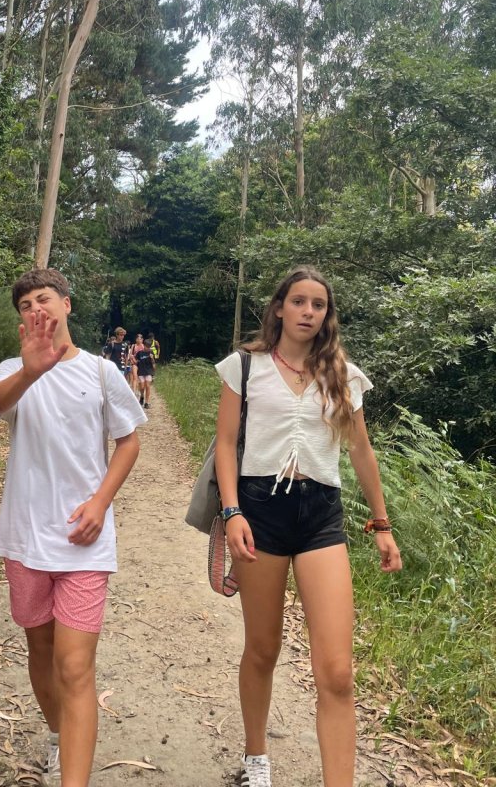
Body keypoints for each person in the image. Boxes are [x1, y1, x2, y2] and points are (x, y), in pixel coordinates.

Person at [213, 266, 402, 787]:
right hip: (259, 510)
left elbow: (361, 450)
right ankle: (256, 760)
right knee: (263, 648)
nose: (308, 312)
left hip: (321, 515)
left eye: (318, 305)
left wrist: (382, 523)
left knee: (337, 672)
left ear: (327, 314)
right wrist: (232, 512)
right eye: (298, 301)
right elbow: (226, 443)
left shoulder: (343, 375)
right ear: (279, 308)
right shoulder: (244, 367)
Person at [0, 270, 145, 787]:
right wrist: (32, 371)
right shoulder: (12, 368)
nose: (37, 309)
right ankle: (59, 736)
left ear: (67, 305)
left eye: (45, 299)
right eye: (26, 305)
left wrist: (101, 502)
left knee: (75, 667)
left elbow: (128, 441)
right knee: (40, 650)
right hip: (25, 537)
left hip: (84, 542)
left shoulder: (101, 371)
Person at [135, 338, 156, 409]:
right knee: (142, 386)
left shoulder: (151, 352)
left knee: (147, 386)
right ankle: (142, 396)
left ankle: (146, 402)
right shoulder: (139, 353)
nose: (148, 348)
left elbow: (154, 364)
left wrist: (152, 358)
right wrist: (133, 360)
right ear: (144, 345)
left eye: (149, 347)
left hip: (148, 371)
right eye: (147, 346)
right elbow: (136, 361)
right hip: (141, 371)